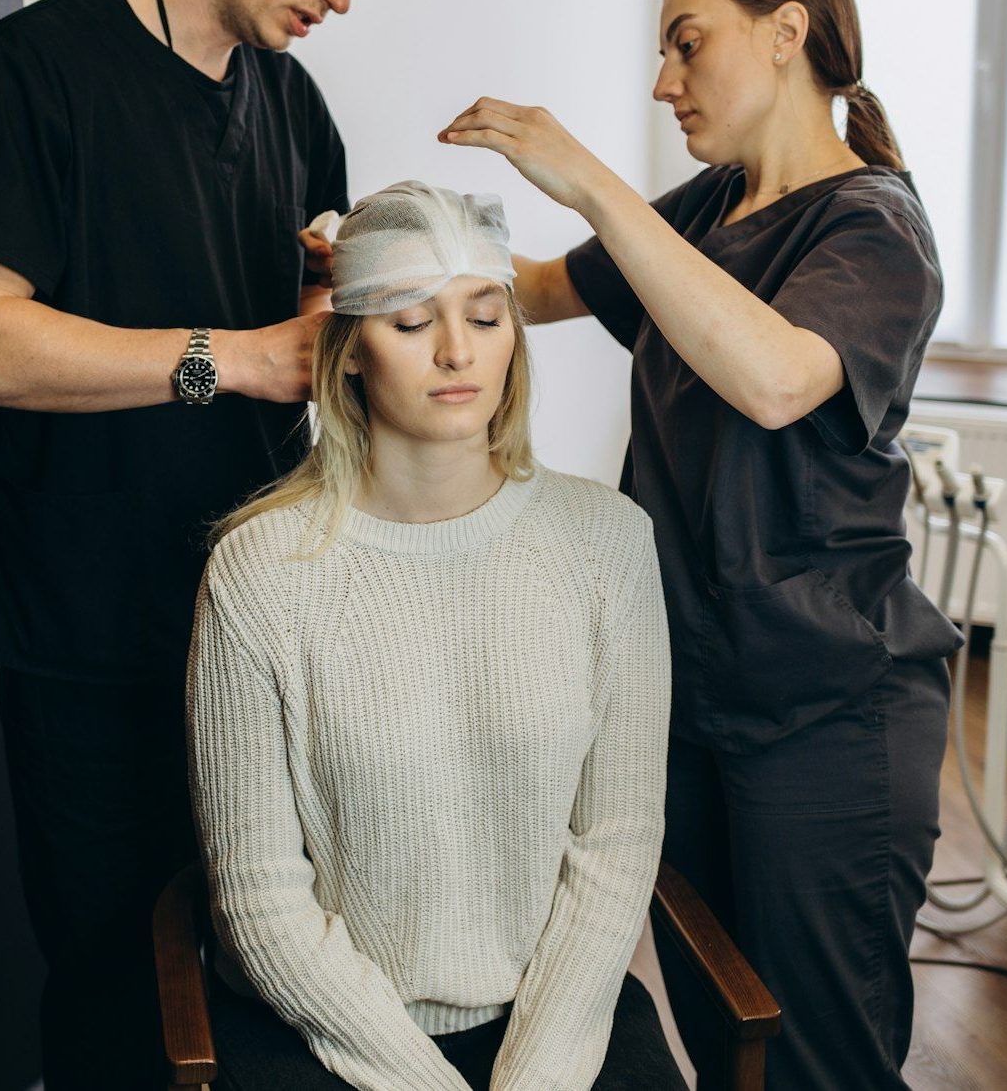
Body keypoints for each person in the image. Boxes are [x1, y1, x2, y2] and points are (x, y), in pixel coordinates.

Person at [0, 0, 415, 1089]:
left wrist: (332, 300)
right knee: (113, 984)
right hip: (83, 630)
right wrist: (239, 357)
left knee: (256, 969)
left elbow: (311, 310)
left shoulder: (293, 108)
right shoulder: (23, 73)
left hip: (255, 622)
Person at [437, 0, 962, 1089]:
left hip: (829, 713)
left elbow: (773, 376)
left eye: (687, 44)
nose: (664, 81)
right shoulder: (712, 206)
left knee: (823, 1058)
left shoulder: (873, 228)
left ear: (789, 34)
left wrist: (588, 176)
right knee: (728, 1029)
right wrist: (386, 260)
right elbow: (529, 291)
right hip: (692, 692)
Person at [188, 180, 681, 1091]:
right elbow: (258, 898)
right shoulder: (256, 574)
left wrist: (535, 1072)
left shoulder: (608, 542)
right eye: (412, 323)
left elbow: (616, 840)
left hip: (549, 1020)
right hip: (322, 1026)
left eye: (486, 316)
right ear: (346, 352)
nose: (457, 351)